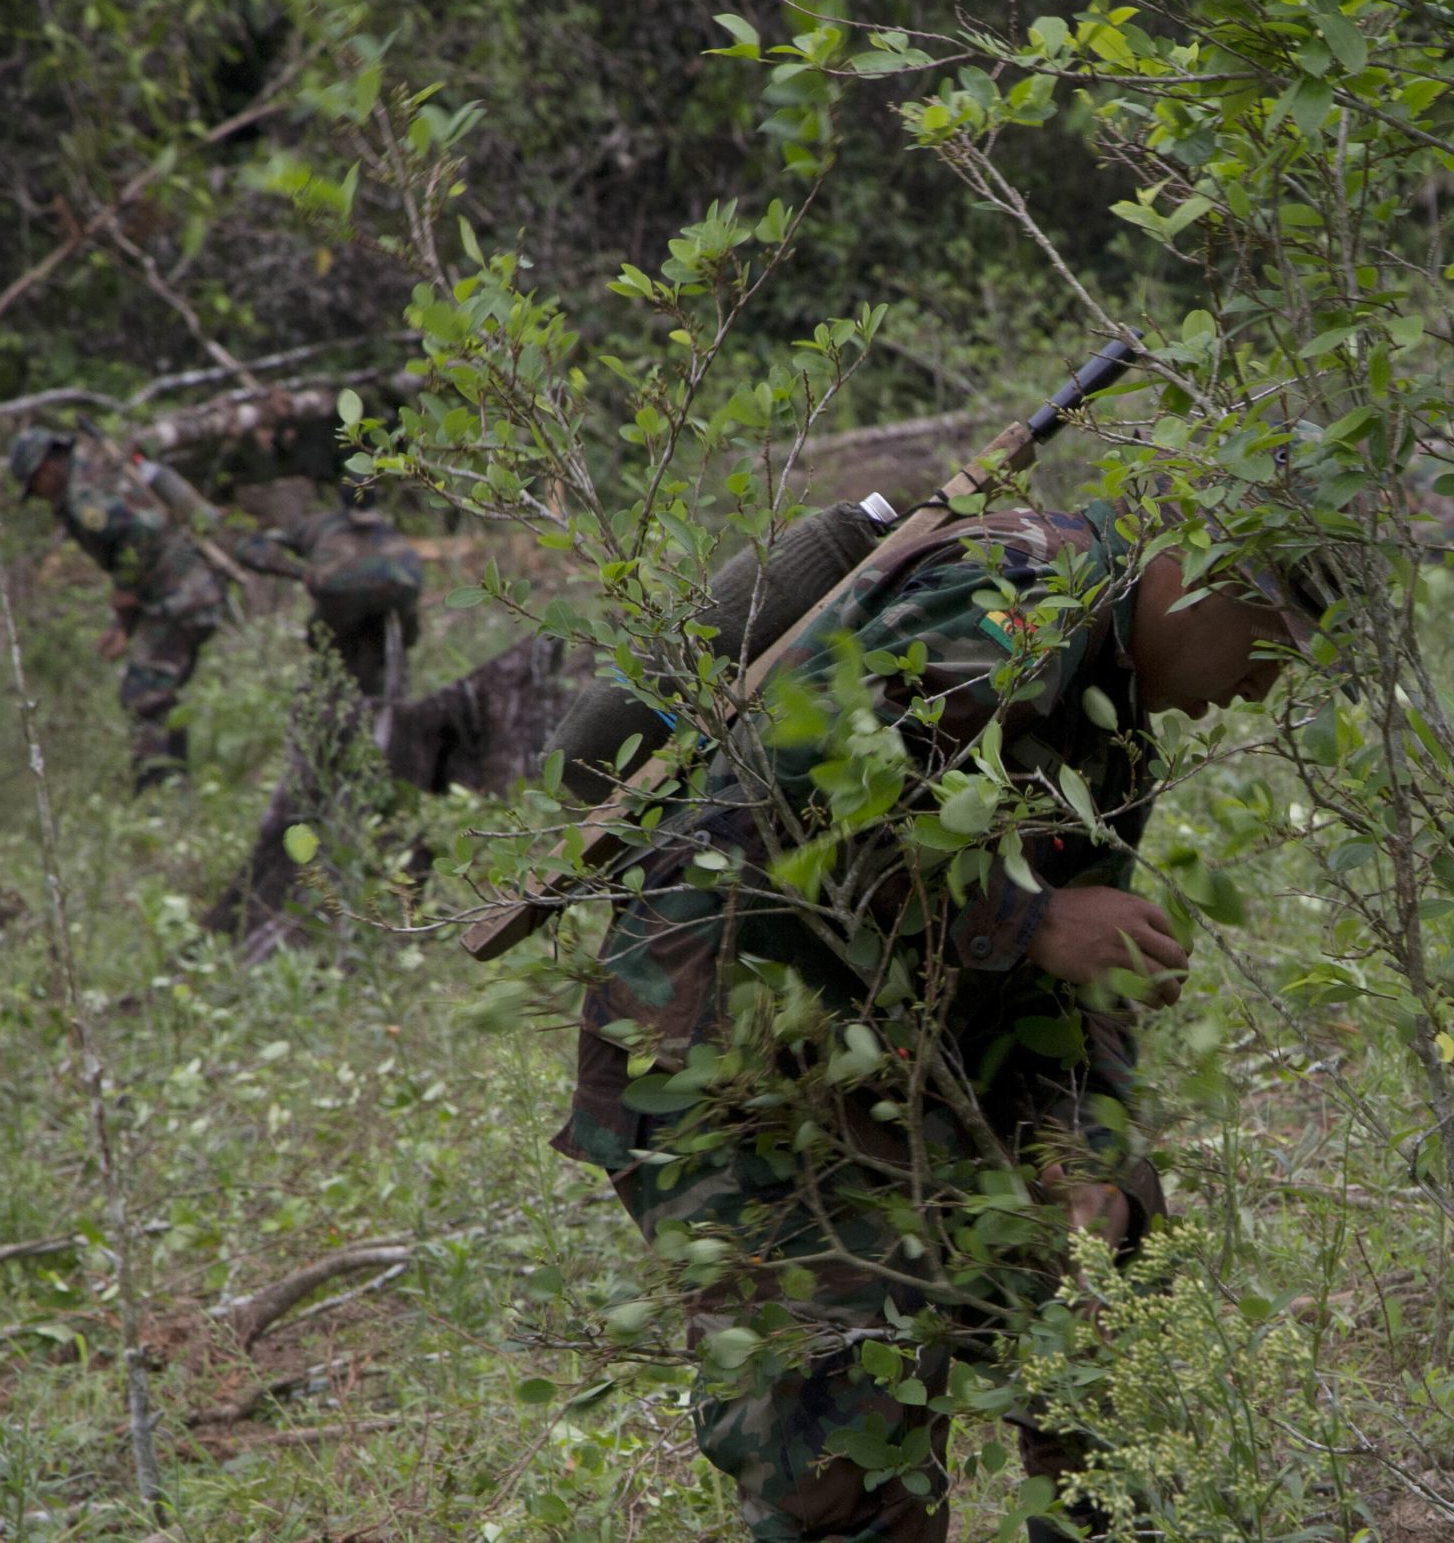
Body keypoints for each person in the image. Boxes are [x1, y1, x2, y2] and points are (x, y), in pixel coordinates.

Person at [551, 496, 1317, 1543]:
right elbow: (795, 783)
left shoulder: (1114, 723)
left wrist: (1081, 1155)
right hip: (738, 1049)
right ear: (1200, 573)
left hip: (918, 1039)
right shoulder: (1018, 597)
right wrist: (1028, 916)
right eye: (1272, 645)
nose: (1259, 689)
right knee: (842, 1426)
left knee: (1114, 1295)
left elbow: (1080, 985)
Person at [204, 483, 426, 945]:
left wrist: (309, 573)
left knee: (369, 771)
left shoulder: (390, 548)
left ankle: (364, 873)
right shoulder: (326, 531)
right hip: (341, 670)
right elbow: (254, 548)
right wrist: (303, 572)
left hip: (377, 676)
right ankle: (304, 874)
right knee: (316, 775)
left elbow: (407, 622)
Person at [6, 427, 229, 790]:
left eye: (36, 487)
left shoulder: (84, 497)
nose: (41, 497)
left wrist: (125, 588)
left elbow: (143, 530)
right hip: (181, 595)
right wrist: (122, 625)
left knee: (143, 696)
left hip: (180, 597)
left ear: (46, 469)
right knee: (153, 692)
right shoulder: (96, 471)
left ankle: (162, 788)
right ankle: (170, 784)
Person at [232, 482, 424, 695]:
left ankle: (326, 698)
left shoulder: (319, 524)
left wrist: (298, 571)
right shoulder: (389, 531)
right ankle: (391, 697)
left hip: (340, 593)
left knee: (326, 647)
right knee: (396, 647)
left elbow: (250, 548)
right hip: (400, 589)